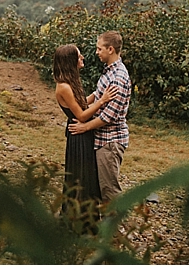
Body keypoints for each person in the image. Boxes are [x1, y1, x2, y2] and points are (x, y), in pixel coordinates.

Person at [53, 43, 117, 213]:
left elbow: (80, 103)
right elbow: (81, 115)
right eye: (79, 56)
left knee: (87, 177)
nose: (82, 58)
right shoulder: (64, 87)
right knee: (81, 177)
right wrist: (102, 101)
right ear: (70, 61)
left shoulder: (70, 81)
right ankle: (76, 220)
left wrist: (96, 94)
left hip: (82, 132)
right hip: (79, 133)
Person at [69, 31, 131, 202]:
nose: (96, 52)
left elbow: (108, 117)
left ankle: (115, 228)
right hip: (102, 139)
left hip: (110, 141)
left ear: (110, 49)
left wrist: (84, 127)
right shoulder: (109, 71)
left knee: (109, 190)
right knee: (100, 187)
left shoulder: (118, 77)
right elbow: (98, 94)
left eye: (99, 49)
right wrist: (78, 104)